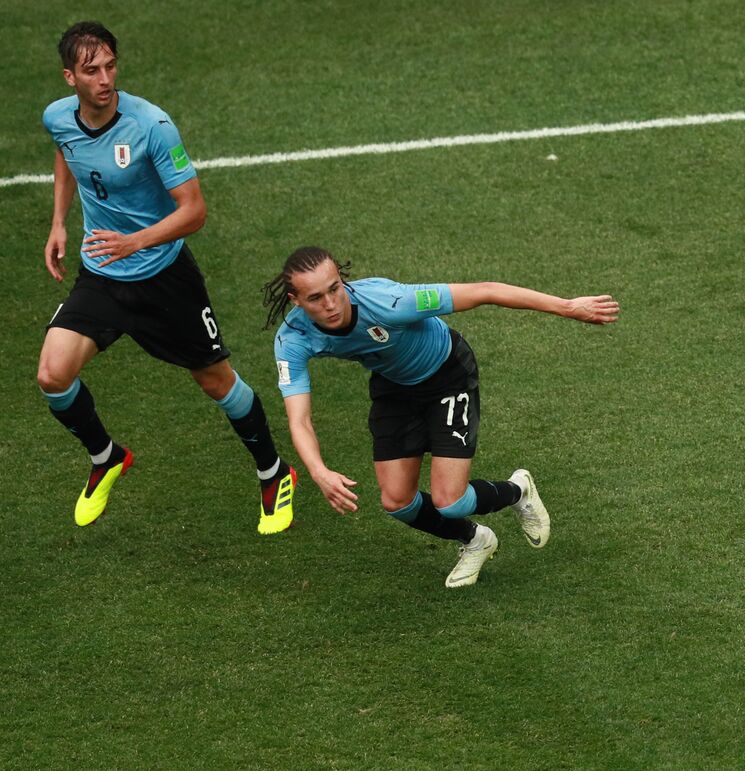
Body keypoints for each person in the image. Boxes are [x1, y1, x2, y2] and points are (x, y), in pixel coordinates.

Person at [36, 21, 296, 533]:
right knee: (52, 375)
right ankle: (107, 456)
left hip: (163, 278)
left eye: (111, 66)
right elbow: (67, 154)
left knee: (216, 381)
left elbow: (194, 212)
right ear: (71, 77)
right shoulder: (57, 118)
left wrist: (135, 241)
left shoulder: (152, 126)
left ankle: (274, 472)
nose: (105, 78)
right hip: (103, 273)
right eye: (92, 71)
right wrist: (58, 223)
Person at [263, 247, 618, 587]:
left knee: (451, 502)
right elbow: (300, 420)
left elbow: (485, 291)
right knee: (396, 502)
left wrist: (568, 307)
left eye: (334, 289)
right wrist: (319, 471)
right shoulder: (293, 339)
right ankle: (475, 540)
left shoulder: (390, 302)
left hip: (447, 374)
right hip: (394, 387)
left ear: (341, 279)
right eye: (314, 298)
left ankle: (518, 490)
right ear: (295, 301)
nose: (329, 304)